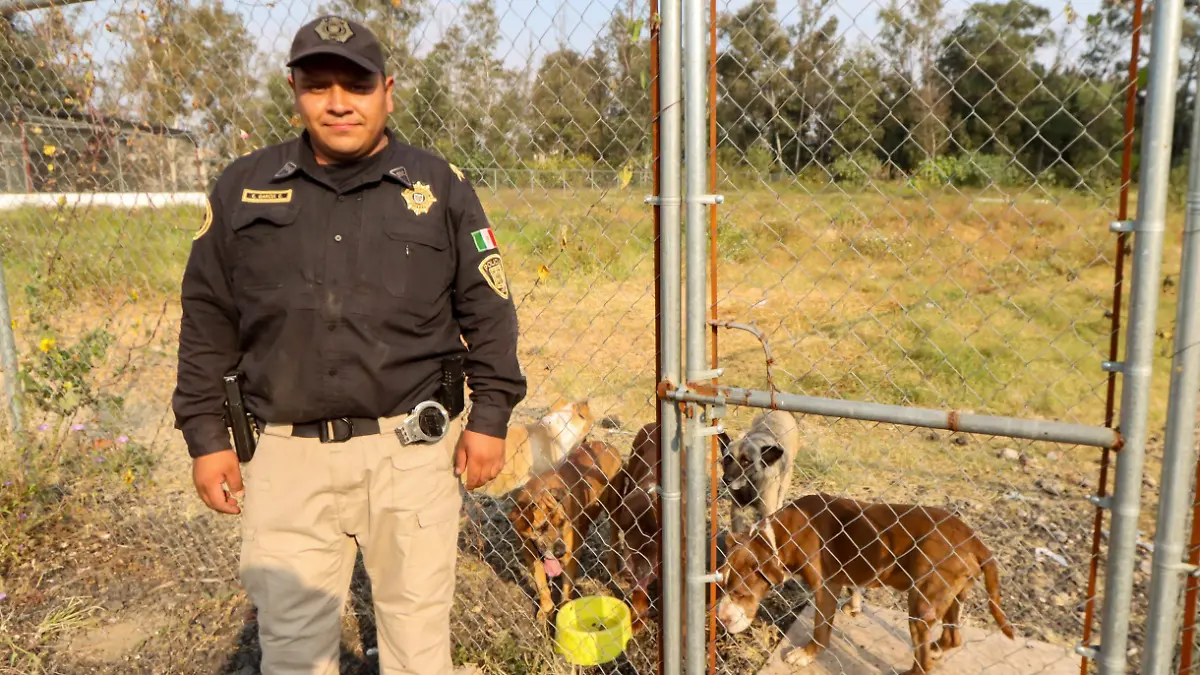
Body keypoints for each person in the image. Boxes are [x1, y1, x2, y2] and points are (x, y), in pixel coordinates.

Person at [171, 14, 526, 675]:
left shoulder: (439, 188)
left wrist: (491, 416)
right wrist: (205, 435)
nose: (338, 103)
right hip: (284, 458)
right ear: (294, 91)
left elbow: (489, 307)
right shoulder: (243, 188)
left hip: (408, 454)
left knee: (418, 648)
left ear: (387, 91)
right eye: (318, 85)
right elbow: (208, 317)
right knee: (292, 652)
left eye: (357, 86)